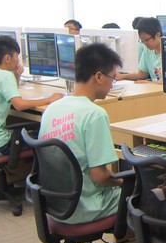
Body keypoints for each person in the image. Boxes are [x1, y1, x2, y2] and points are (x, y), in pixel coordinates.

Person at [38, 43, 124, 224]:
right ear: (99, 76)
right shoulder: (94, 114)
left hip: (57, 204)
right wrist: (124, 182)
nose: (112, 85)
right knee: (147, 192)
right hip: (86, 206)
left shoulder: (52, 108)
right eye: (113, 78)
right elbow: (100, 177)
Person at [0, 35, 63, 157]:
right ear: (7, 58)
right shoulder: (5, 76)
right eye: (17, 56)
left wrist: (16, 75)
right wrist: (49, 99)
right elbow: (19, 105)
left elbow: (9, 92)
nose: (18, 61)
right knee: (49, 135)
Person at [118, 17, 162, 81]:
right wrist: (122, 76)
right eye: (142, 40)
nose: (145, 43)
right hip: (154, 88)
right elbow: (142, 73)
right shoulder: (148, 49)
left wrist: (149, 83)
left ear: (157, 35)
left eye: (146, 40)